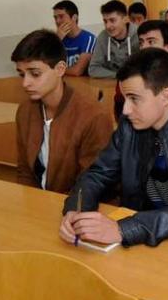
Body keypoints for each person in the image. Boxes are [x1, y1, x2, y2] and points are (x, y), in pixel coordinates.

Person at [59, 48, 168, 247]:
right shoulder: (130, 123)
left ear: (165, 96)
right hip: (141, 233)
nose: (125, 109)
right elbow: (97, 174)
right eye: (125, 99)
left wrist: (126, 229)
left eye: (134, 98)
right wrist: (75, 211)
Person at [11, 29, 113, 193]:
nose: (25, 83)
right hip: (38, 204)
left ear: (60, 69)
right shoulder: (25, 111)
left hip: (79, 209)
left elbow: (91, 185)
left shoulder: (93, 116)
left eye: (35, 74)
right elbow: (25, 171)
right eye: (21, 74)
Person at [89, 0, 140, 78]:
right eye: (105, 21)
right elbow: (93, 69)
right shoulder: (103, 37)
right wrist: (119, 75)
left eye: (112, 20)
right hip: (112, 83)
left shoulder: (139, 35)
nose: (107, 26)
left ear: (125, 19)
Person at [52, 0, 96, 77]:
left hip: (82, 83)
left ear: (74, 17)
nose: (58, 21)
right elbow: (45, 63)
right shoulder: (57, 38)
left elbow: (77, 71)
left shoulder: (89, 38)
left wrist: (55, 70)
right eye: (55, 18)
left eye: (61, 16)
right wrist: (56, 41)